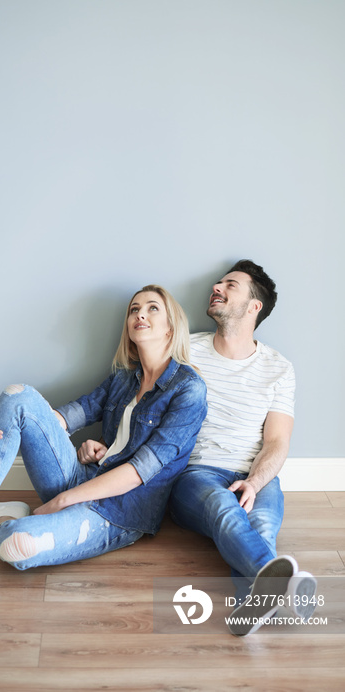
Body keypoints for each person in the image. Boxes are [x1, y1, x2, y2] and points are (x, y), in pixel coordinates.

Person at [0, 285, 207, 569]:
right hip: (82, 477)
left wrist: (63, 500)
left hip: (121, 512)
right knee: (17, 396)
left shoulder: (188, 390)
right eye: (134, 309)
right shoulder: (123, 379)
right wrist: (3, 421)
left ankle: (2, 518)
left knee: (15, 545)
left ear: (170, 326)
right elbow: (60, 417)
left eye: (153, 308)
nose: (140, 314)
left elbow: (139, 471)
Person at [168, 260, 317, 636]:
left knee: (262, 524)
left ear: (254, 306)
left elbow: (277, 441)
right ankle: (288, 588)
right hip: (196, 475)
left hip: (255, 473)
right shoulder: (186, 353)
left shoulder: (279, 368)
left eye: (230, 285)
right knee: (222, 506)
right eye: (218, 283)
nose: (217, 287)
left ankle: (253, 603)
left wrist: (254, 482)